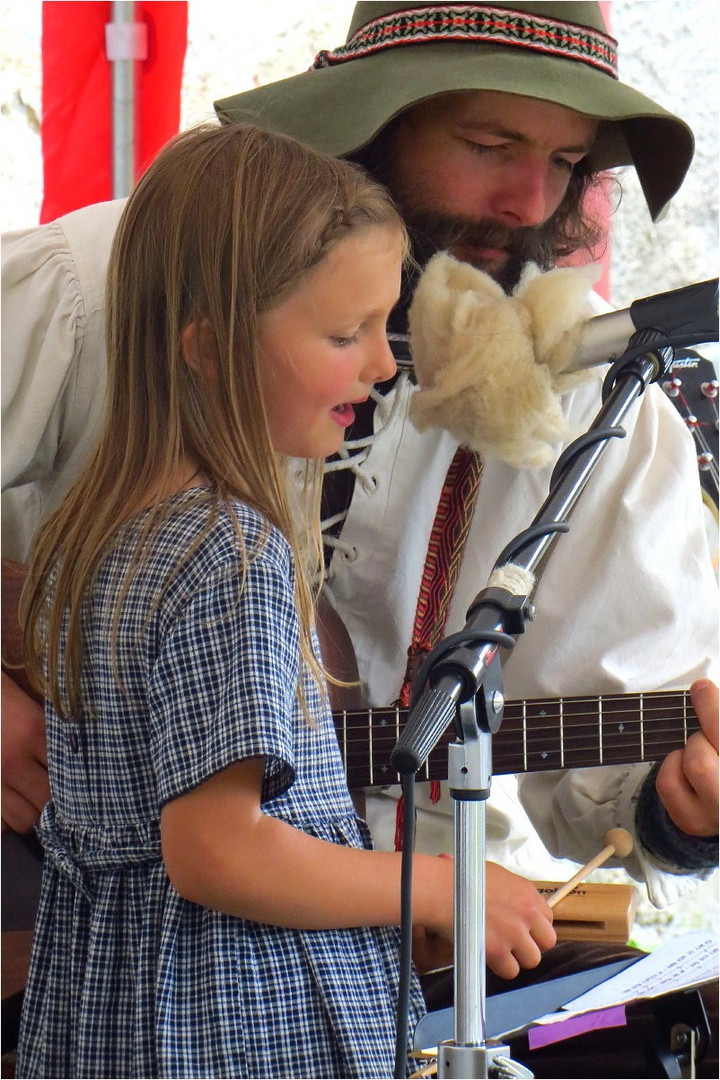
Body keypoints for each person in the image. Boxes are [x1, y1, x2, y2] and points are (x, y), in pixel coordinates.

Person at [2, 1, 717, 1074]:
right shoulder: (88, 290)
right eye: (490, 146)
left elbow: (607, 780)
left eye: (568, 160)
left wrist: (681, 808)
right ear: (371, 119)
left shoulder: (598, 410)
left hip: (334, 984)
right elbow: (215, 846)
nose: (532, 200)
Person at [13, 120, 488, 1080]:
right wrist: (441, 886)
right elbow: (218, 852)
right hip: (235, 1027)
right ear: (210, 346)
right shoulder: (229, 552)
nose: (383, 367)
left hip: (112, 1011)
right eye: (344, 333)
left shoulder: (86, 538)